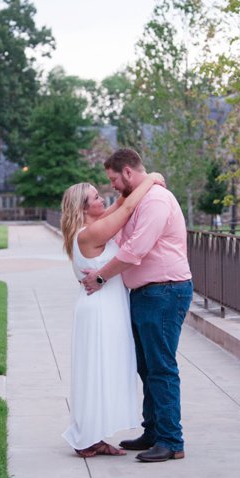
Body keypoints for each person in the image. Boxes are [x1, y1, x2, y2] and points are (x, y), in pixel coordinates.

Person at [78, 148, 194, 463]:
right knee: (146, 367)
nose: (112, 186)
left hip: (165, 292)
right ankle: (153, 431)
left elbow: (134, 251)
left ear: (127, 173)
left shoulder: (156, 202)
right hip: (146, 294)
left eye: (114, 179)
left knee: (161, 367)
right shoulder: (140, 199)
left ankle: (171, 441)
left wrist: (100, 278)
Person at [59, 172, 164, 458]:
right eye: (95, 197)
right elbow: (127, 208)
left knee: (103, 372)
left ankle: (94, 436)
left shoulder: (93, 225)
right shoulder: (90, 233)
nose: (101, 198)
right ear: (83, 207)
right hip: (100, 311)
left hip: (106, 307)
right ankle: (85, 438)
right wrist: (151, 179)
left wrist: (134, 185)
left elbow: (120, 203)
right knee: (97, 373)